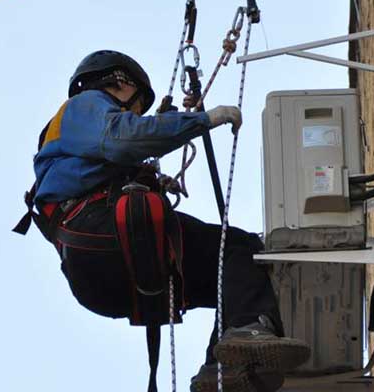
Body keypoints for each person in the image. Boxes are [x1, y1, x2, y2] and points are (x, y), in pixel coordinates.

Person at [24, 50, 310, 392]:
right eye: (136, 105)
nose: (133, 112)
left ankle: (221, 370)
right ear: (120, 82)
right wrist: (203, 120)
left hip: (97, 278)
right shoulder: (86, 104)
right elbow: (125, 137)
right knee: (236, 249)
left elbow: (119, 146)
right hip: (102, 233)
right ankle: (246, 334)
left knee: (230, 284)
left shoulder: (69, 144)